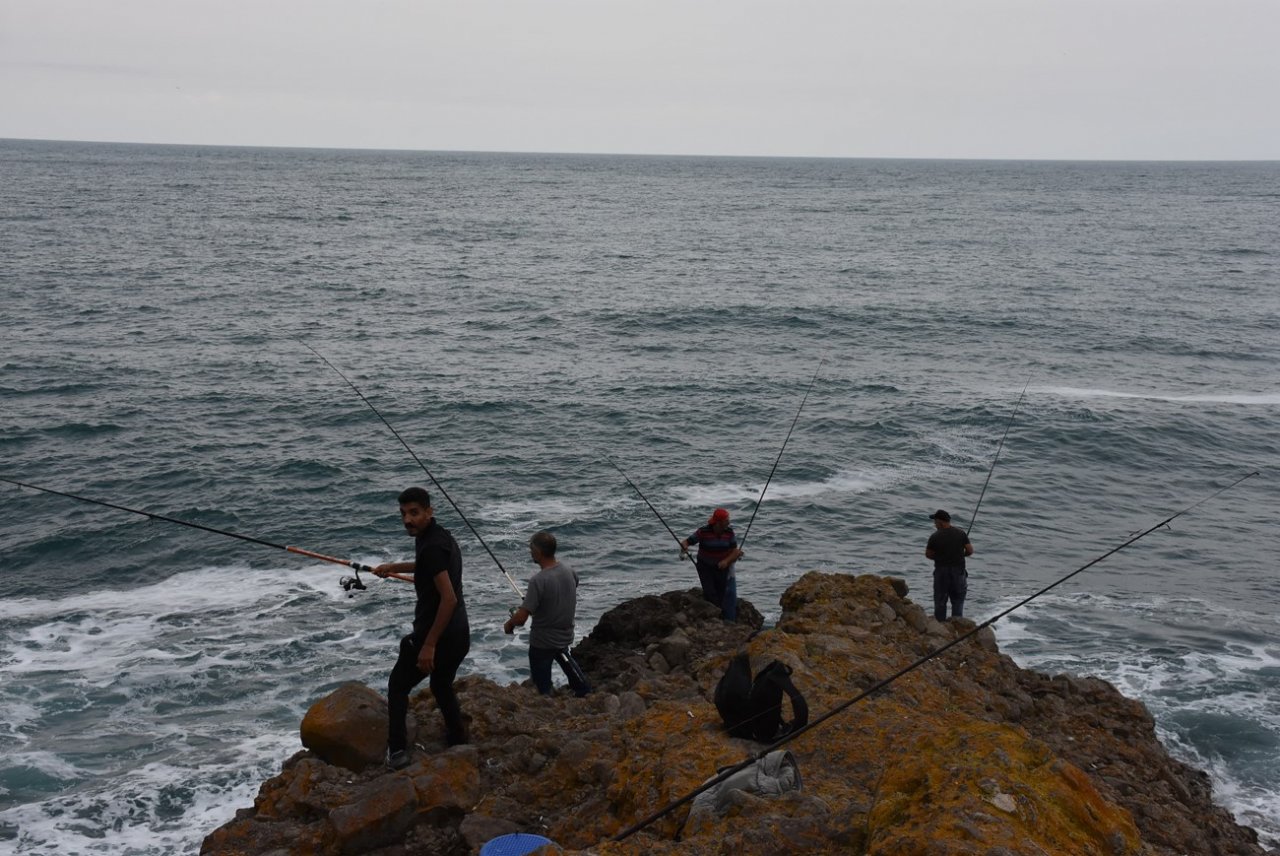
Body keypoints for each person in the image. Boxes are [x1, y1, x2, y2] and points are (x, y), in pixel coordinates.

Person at [374, 487, 470, 769]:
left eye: (414, 513)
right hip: (459, 634)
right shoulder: (440, 538)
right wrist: (394, 567)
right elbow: (427, 566)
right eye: (403, 514)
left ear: (430, 511)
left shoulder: (430, 546)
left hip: (437, 635)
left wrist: (428, 644)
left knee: (397, 687)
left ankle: (398, 751)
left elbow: (448, 599)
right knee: (441, 685)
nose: (408, 520)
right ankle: (458, 738)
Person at [503, 530, 591, 697]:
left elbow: (521, 619)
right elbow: (569, 588)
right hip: (564, 635)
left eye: (531, 549)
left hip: (543, 642)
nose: (530, 552)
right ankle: (583, 691)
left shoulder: (538, 580)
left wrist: (509, 624)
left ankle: (546, 699)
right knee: (565, 658)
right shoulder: (568, 570)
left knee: (541, 684)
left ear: (538, 552)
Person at [680, 507, 744, 621]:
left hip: (721, 567)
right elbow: (687, 542)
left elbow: (734, 551)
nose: (729, 522)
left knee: (721, 593)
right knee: (710, 592)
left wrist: (726, 561)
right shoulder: (703, 532)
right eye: (726, 520)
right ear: (719, 523)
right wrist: (684, 547)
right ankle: (715, 617)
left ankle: (719, 617)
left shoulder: (729, 533)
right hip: (705, 567)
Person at [924, 509, 973, 622]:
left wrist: (938, 557)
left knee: (940, 601)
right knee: (958, 600)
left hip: (941, 572)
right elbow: (970, 550)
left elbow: (928, 554)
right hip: (958, 572)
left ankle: (940, 625)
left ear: (941, 522)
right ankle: (957, 624)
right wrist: (961, 555)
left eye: (935, 522)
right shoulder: (961, 533)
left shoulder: (935, 536)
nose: (934, 524)